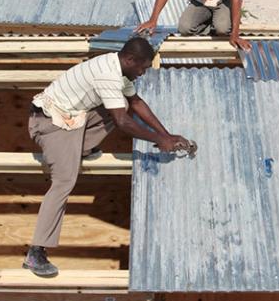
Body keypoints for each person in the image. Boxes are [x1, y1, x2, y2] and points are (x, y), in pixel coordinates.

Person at [24, 37, 194, 277]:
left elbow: (136, 103)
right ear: (130, 59)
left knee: (122, 103)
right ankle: (35, 252)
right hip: (50, 123)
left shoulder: (119, 70)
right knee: (65, 180)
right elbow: (123, 123)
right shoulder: (107, 74)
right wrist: (158, 140)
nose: (143, 73)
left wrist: (167, 135)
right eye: (142, 67)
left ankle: (79, 148)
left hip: (71, 118)